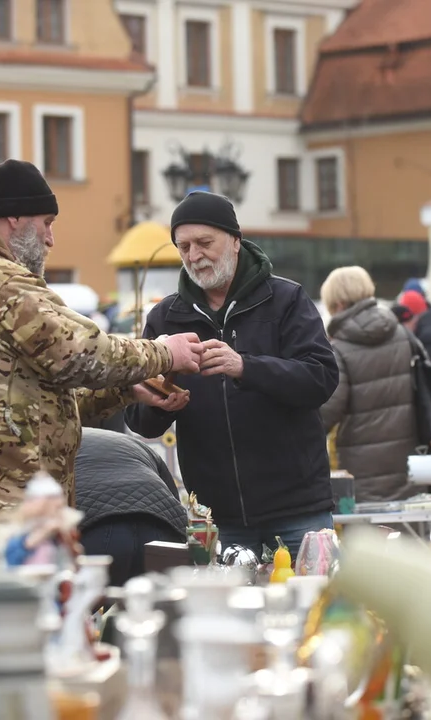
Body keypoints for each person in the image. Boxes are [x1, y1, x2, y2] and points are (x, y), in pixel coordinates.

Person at [0, 159, 205, 599]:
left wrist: (126, 388)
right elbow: (82, 352)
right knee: (12, 654)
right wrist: (166, 352)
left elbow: (35, 398)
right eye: (46, 223)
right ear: (15, 216)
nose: (51, 238)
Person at [125, 191, 339, 560]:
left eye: (204, 243)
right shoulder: (165, 318)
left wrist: (246, 366)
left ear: (236, 241)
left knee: (315, 609)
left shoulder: (285, 300)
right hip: (214, 516)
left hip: (297, 507)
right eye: (184, 247)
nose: (194, 256)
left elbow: (321, 378)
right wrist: (162, 403)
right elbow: (140, 421)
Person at [319, 266, 416, 502]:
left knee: (366, 536)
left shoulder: (339, 348)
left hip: (361, 465)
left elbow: (328, 410)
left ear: (339, 304)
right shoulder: (403, 334)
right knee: (405, 532)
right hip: (409, 458)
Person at [73, 429, 188, 588]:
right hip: (161, 529)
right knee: (154, 607)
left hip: (98, 530)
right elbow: (172, 494)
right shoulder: (127, 441)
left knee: (82, 607)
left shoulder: (50, 446)